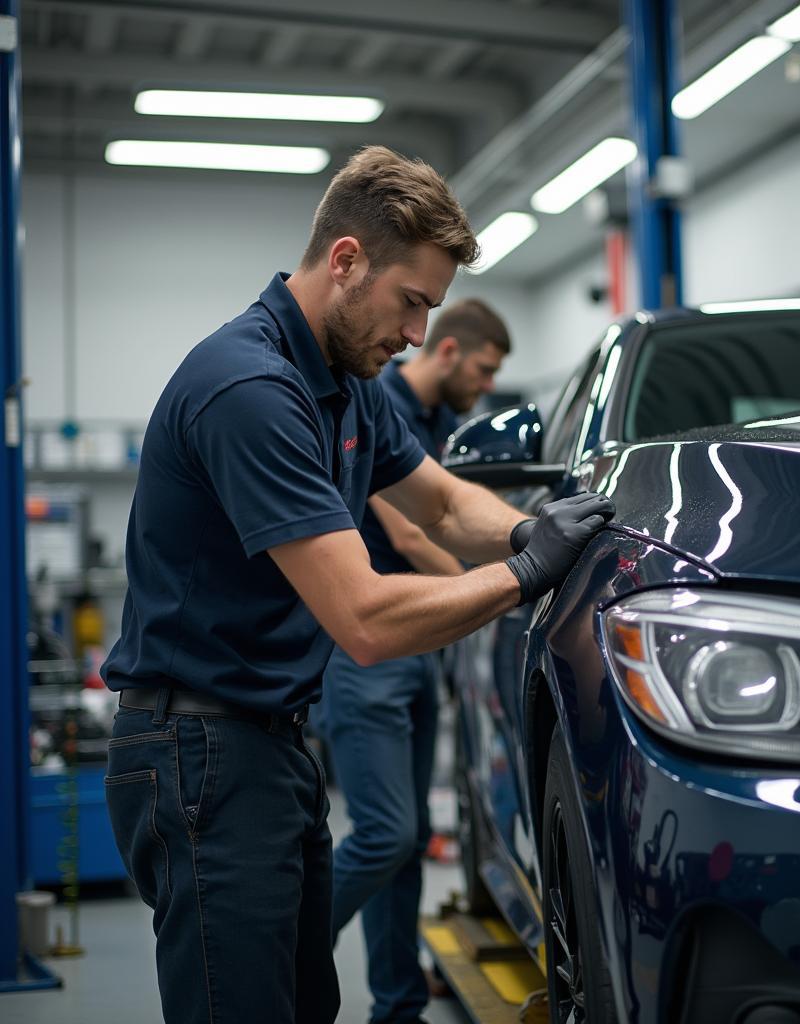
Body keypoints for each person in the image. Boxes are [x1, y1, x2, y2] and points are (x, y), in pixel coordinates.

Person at [100, 143, 614, 1024]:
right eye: (411, 302)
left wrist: (534, 525)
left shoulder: (347, 381)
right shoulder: (250, 388)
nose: (418, 334)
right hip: (199, 757)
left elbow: (445, 506)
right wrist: (528, 572)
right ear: (347, 261)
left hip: (271, 748)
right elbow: (365, 620)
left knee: (303, 1004)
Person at [319, 298, 510, 1024]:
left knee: (404, 848)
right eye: (485, 369)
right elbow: (409, 529)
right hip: (371, 648)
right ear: (452, 351)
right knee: (385, 834)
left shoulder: (441, 424)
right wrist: (498, 588)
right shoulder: (379, 396)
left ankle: (396, 1001)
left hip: (420, 654)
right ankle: (286, 951)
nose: (487, 385)